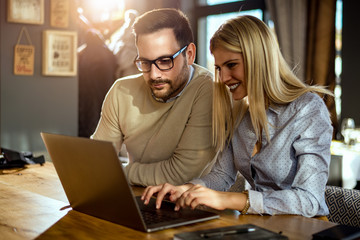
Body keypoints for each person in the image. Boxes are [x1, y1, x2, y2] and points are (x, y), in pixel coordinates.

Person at [142, 15, 334, 218]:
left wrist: (230, 200)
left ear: (259, 59)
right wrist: (186, 189)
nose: (223, 78)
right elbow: (222, 175)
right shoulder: (239, 112)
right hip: (260, 226)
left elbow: (310, 200)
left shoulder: (307, 109)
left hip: (304, 229)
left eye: (231, 65)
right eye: (218, 68)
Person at [91, 8, 216, 186]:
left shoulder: (207, 90)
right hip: (136, 197)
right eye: (145, 62)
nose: (154, 74)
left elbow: (180, 174)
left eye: (165, 61)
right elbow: (97, 160)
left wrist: (115, 173)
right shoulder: (121, 91)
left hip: (192, 206)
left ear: (189, 55)